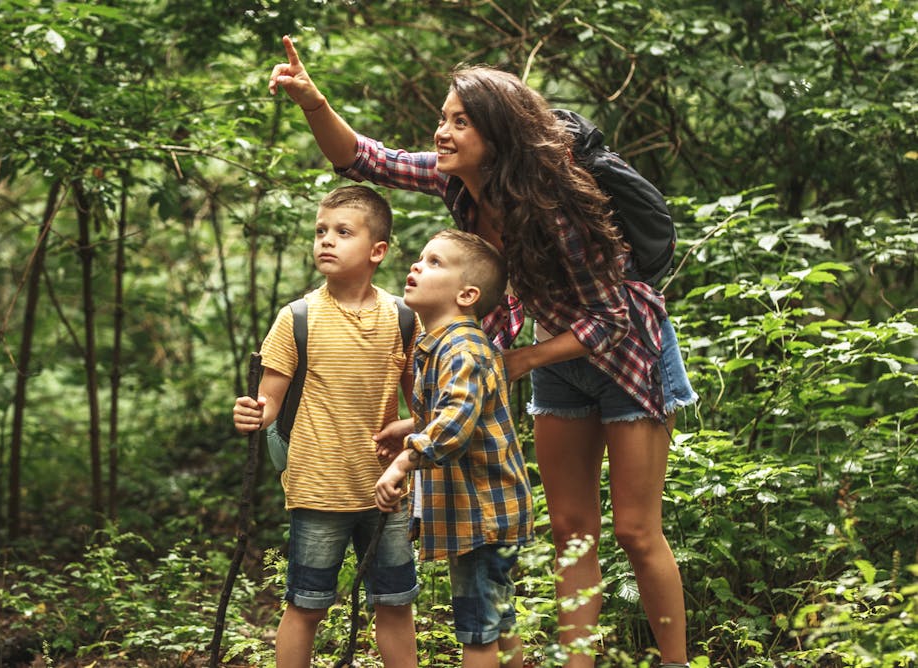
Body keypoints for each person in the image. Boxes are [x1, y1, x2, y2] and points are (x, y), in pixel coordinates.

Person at [268, 36, 699, 668]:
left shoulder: (554, 204)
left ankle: (675, 663)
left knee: (636, 530)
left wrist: (520, 360)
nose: (442, 132)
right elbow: (367, 159)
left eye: (459, 122)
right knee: (571, 531)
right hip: (558, 360)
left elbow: (612, 316)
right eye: (443, 119)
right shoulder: (459, 186)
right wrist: (313, 102)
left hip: (630, 356)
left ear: (495, 135)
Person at [232, 184, 420, 668]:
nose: (326, 241)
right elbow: (269, 403)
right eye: (320, 232)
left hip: (387, 490)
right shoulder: (297, 317)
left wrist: (409, 433)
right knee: (306, 606)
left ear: (377, 250)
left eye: (342, 232)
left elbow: (425, 404)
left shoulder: (403, 317)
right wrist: (252, 413)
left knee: (396, 603)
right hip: (318, 487)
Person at [375, 229, 533, 668]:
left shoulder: (462, 348)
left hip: (483, 513)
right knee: (496, 622)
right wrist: (409, 427)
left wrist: (405, 460)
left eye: (434, 262)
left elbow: (452, 429)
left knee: (477, 630)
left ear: (467, 294)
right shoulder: (443, 345)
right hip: (480, 513)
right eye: (420, 258)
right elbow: (459, 411)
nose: (416, 266)